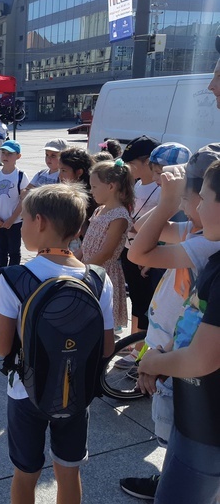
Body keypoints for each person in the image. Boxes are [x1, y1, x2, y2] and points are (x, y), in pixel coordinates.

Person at [0, 182, 115, 504]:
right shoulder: (97, 278)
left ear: (40, 222)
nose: (22, 227)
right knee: (69, 471)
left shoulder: (15, 278)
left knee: (25, 473)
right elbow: (106, 347)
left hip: (25, 393)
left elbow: (2, 348)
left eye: (25, 220)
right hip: (76, 393)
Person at [122, 144, 220, 500]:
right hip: (177, 359)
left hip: (196, 390)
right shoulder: (200, 237)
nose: (184, 206)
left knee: (182, 459)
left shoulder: (207, 247)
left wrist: (166, 202)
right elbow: (139, 233)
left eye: (196, 198)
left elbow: (137, 251)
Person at [119, 136, 163, 355]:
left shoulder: (160, 190)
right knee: (135, 299)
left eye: (133, 164)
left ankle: (140, 351)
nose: (130, 168)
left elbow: (163, 225)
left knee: (146, 303)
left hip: (147, 256)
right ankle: (132, 343)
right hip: (129, 250)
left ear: (148, 162)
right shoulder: (136, 185)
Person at [81, 159, 134, 331]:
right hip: (89, 269)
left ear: (111, 187)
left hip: (103, 274)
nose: (91, 191)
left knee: (103, 322)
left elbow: (106, 252)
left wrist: (82, 271)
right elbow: (86, 244)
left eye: (94, 187)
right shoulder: (99, 210)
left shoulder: (119, 216)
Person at [0, 140, 30, 266]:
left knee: (14, 252)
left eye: (10, 154)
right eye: (3, 153)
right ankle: (2, 278)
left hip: (15, 222)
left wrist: (12, 219)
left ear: (18, 156)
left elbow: (23, 200)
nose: (5, 156)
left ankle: (12, 278)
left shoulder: (21, 176)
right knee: (1, 252)